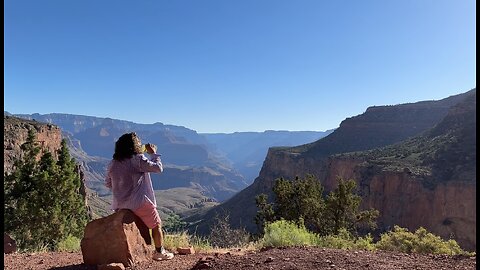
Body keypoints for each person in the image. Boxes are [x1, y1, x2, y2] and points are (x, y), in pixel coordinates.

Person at [105, 132, 174, 261]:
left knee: (136, 228)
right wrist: (153, 154)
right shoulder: (137, 160)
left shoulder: (112, 163)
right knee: (156, 225)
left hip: (120, 205)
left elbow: (108, 183)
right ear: (135, 146)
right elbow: (158, 168)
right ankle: (159, 251)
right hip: (139, 203)